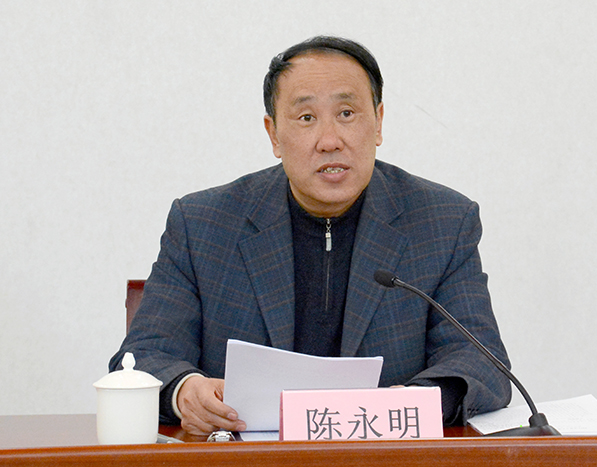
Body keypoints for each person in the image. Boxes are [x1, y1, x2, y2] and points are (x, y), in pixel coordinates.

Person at [110, 36, 512, 436]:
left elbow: (482, 363)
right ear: (273, 134)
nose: (330, 141)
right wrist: (185, 390)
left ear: (378, 122)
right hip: (247, 459)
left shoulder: (442, 222)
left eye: (347, 113)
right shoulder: (203, 225)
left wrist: (413, 402)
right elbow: (144, 356)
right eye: (306, 118)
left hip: (383, 457)